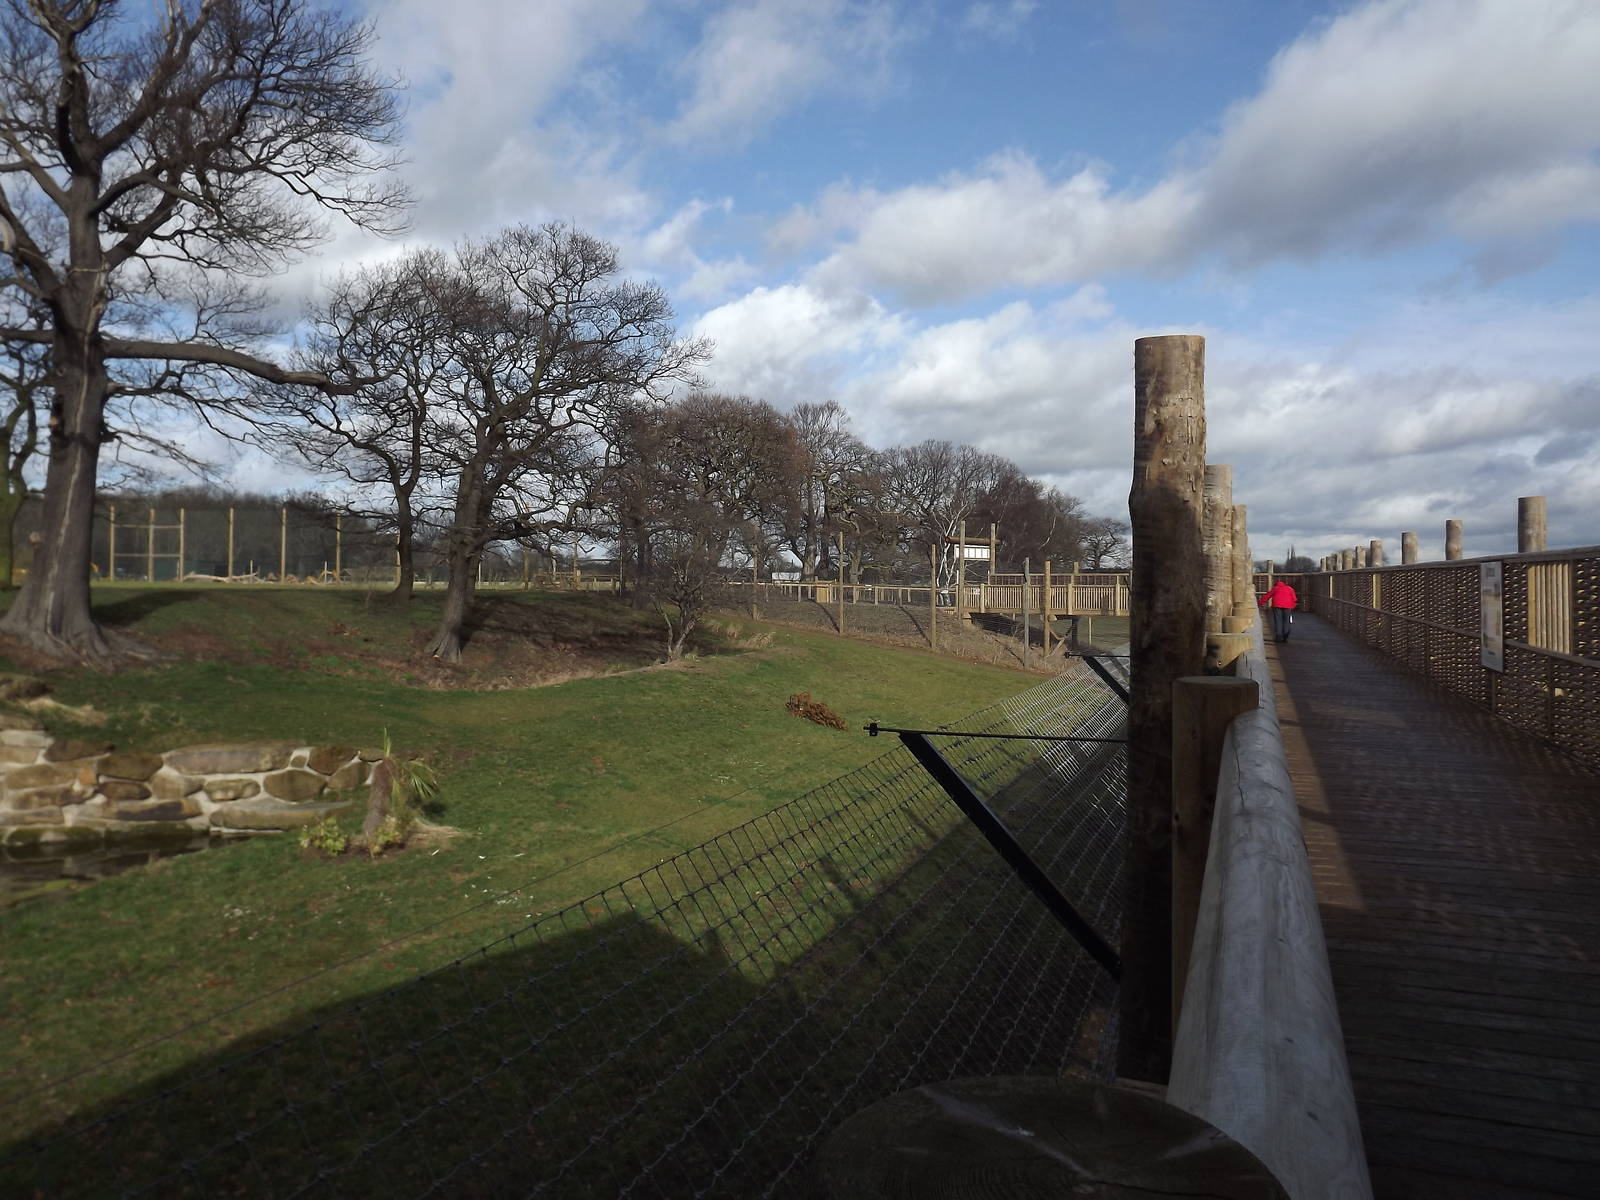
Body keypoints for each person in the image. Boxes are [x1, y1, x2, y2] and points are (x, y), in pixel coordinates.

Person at [1259, 577, 1298, 643]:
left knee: (1278, 621)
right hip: (1288, 606)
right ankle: (1285, 636)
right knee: (1286, 621)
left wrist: (1260, 602)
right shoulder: (1290, 589)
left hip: (1277, 606)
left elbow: (1267, 596)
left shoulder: (1275, 588)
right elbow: (1294, 599)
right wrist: (1293, 606)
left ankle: (1278, 637)